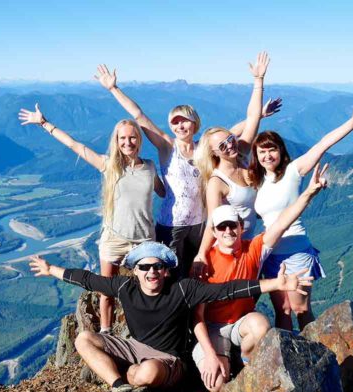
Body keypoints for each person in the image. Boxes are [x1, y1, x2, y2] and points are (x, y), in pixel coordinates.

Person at [28, 241, 312, 392]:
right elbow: (89, 280)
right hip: (134, 348)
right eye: (144, 267)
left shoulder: (183, 289)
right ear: (135, 271)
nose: (151, 272)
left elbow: (228, 290)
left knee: (148, 371)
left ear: (166, 270)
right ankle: (120, 388)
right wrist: (51, 269)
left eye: (157, 267)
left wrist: (277, 284)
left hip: (169, 359)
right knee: (83, 340)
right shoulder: (125, 287)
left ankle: (135, 380)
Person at [94, 61, 282, 277]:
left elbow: (229, 134)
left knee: (200, 274)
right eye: (175, 122)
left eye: (185, 121)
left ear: (195, 124)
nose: (180, 126)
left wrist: (257, 117)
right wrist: (113, 89)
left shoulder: (204, 148)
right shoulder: (167, 147)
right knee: (172, 276)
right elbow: (139, 116)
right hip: (171, 225)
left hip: (201, 223)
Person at [18, 106, 165, 334]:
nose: (128, 142)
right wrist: (44, 123)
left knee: (148, 290)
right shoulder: (108, 165)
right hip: (114, 239)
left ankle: (146, 332)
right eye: (123, 138)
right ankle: (106, 333)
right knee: (106, 291)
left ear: (139, 140)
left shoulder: (150, 167)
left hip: (144, 241)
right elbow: (75, 145)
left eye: (132, 137)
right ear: (116, 141)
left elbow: (165, 192)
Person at [193, 163, 329, 392]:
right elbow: (196, 317)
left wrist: (309, 192)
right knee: (216, 386)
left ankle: (244, 359)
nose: (228, 232)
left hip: (241, 323)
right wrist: (209, 355)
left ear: (240, 226)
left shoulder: (253, 248)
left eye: (232, 226)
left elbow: (283, 222)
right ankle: (226, 359)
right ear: (214, 232)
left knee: (261, 326)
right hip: (213, 328)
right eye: (222, 227)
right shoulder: (204, 264)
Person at [249, 97, 353, 331]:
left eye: (272, 150)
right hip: (269, 254)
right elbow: (231, 145)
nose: (267, 155)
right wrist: (257, 115)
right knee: (283, 310)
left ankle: (313, 352)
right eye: (262, 151)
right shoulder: (256, 181)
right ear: (256, 155)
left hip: (296, 251)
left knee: (300, 309)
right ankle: (286, 358)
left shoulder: (293, 171)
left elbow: (322, 144)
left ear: (281, 151)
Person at [189, 53, 273, 281]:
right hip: (228, 251)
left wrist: (258, 81)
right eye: (222, 145)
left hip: (250, 245)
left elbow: (253, 118)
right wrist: (201, 255)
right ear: (213, 153)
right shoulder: (217, 183)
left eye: (230, 139)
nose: (229, 145)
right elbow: (212, 222)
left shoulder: (243, 155)